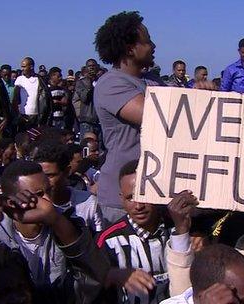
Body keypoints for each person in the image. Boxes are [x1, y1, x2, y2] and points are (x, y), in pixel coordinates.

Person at [95, 160, 199, 304]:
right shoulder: (108, 241)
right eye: (130, 197)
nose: (138, 206)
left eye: (143, 196)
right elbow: (93, 291)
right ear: (121, 199)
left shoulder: (180, 230)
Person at [0, 159, 104, 288]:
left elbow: (94, 276)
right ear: (13, 203)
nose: (48, 201)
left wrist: (56, 220)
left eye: (49, 191)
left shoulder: (62, 225)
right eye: (38, 195)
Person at [93, 11, 156, 224]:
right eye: (147, 41)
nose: (153, 46)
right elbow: (158, 117)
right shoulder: (111, 83)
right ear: (130, 49)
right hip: (121, 199)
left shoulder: (154, 82)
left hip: (151, 192)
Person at [33, 141, 104, 234]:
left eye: (50, 176)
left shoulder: (89, 203)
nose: (44, 182)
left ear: (66, 172)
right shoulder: (31, 205)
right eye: (40, 176)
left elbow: (99, 241)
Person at [13, 57, 51, 131]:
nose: (22, 69)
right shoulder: (19, 79)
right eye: (22, 67)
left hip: (36, 116)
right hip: (23, 116)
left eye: (24, 66)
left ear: (31, 67)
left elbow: (45, 99)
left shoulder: (39, 80)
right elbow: (15, 99)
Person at [74, 59, 101, 135]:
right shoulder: (81, 83)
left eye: (93, 66)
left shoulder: (101, 81)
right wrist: (90, 83)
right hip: (87, 120)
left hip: (100, 120)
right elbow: (84, 98)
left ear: (97, 67)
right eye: (89, 66)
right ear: (86, 68)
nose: (91, 68)